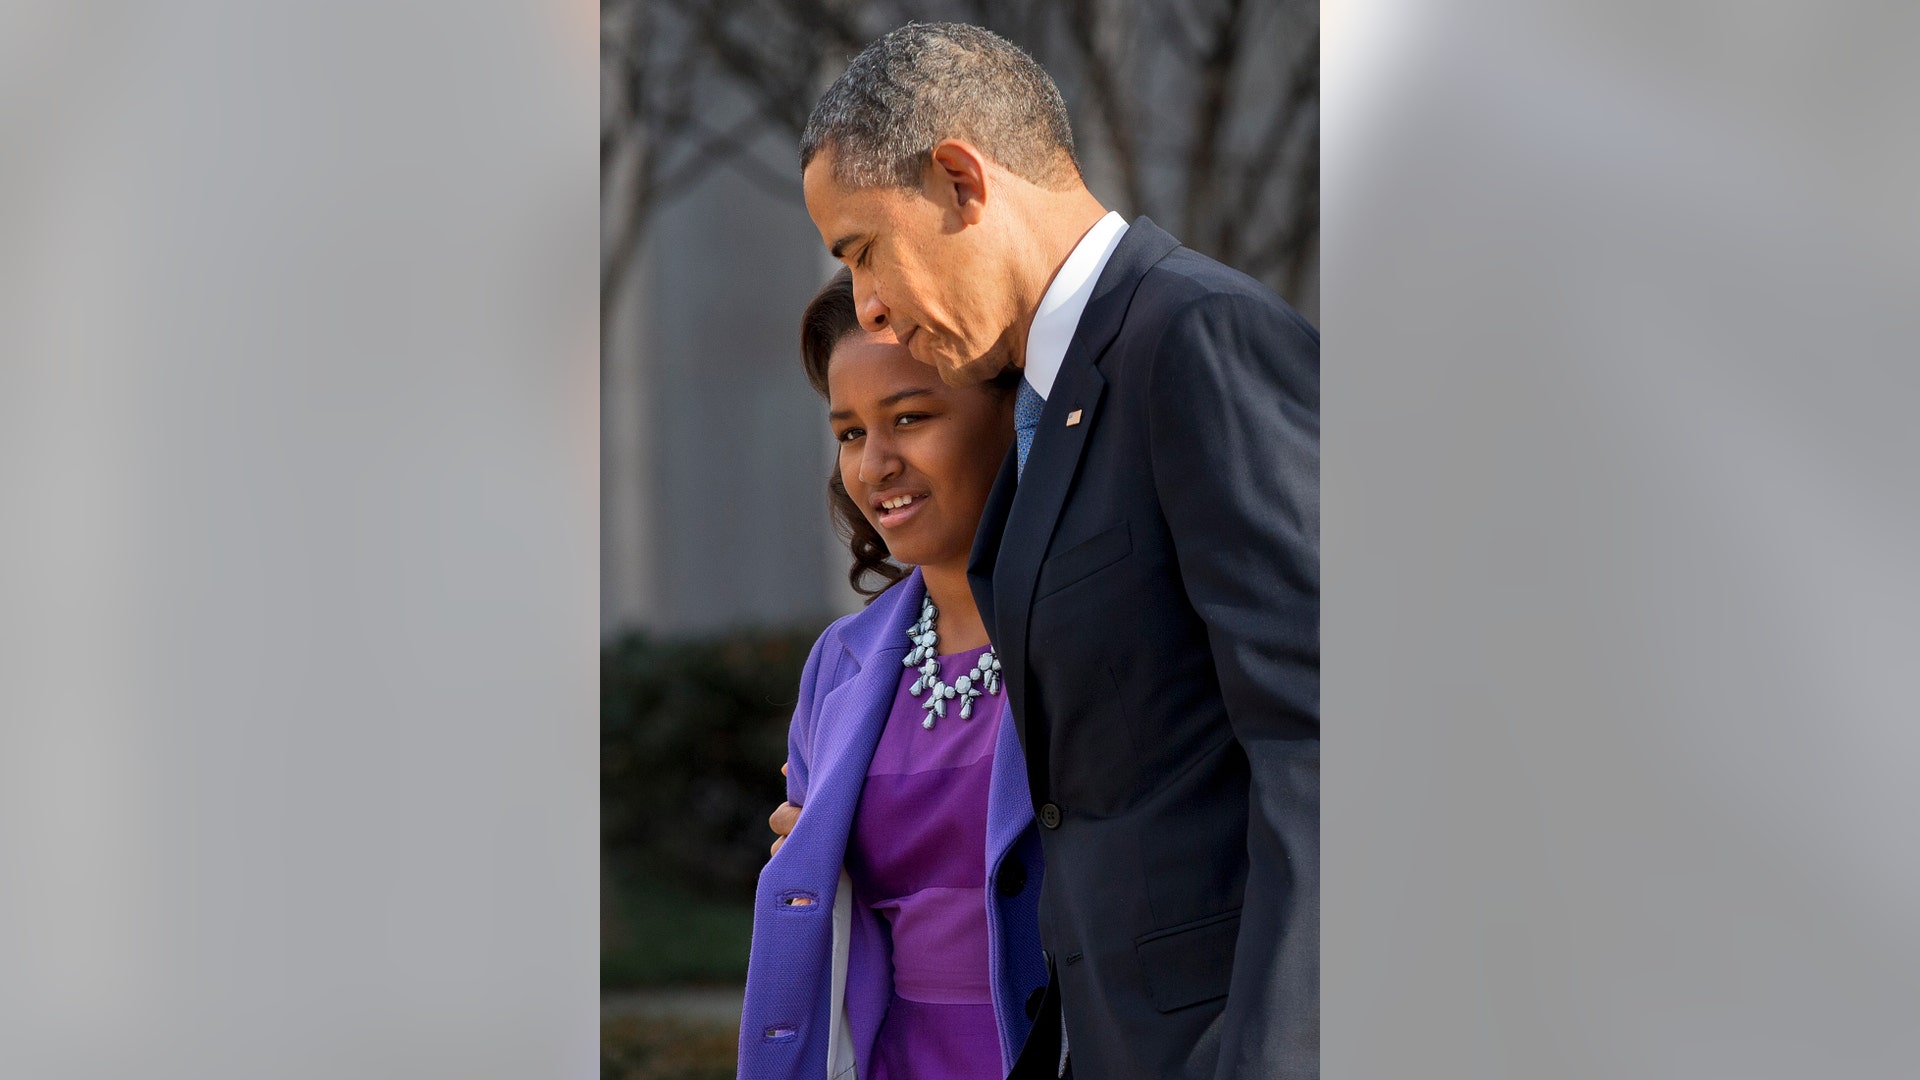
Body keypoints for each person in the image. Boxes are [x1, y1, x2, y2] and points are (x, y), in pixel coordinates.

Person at [784, 22, 1321, 1080]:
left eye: (863, 250)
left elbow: (1328, 738)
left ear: (957, 180)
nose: (873, 304)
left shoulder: (1197, 337)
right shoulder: (1046, 406)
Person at [737, 270, 1049, 1080]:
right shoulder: (839, 663)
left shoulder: (1091, 634)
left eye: (910, 418)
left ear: (1008, 417)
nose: (875, 465)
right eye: (848, 433)